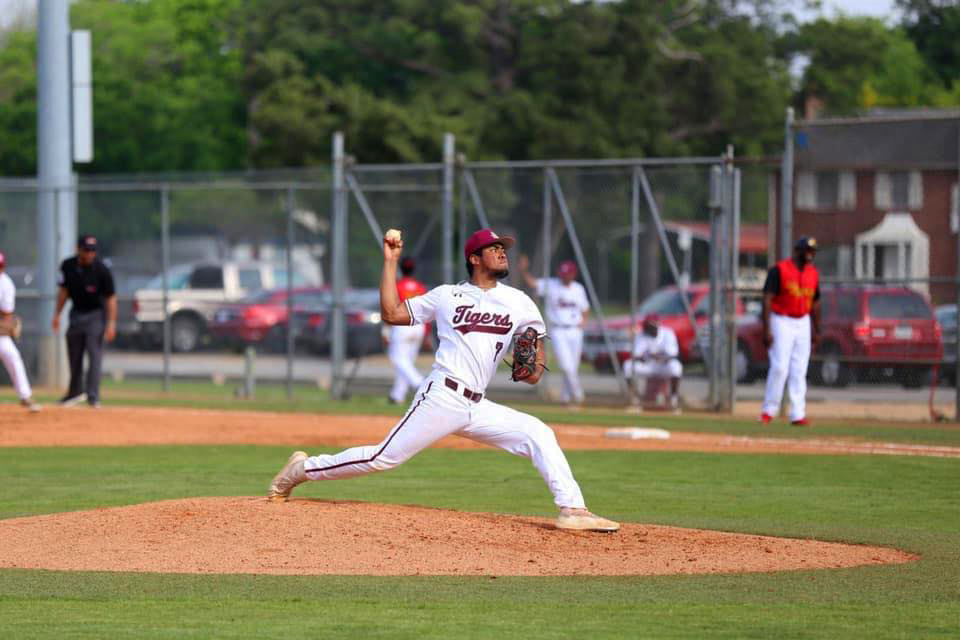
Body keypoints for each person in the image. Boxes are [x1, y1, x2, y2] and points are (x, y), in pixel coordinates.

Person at [268, 228, 620, 532]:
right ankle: (301, 469)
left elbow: (531, 367)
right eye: (494, 248)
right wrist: (390, 261)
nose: (501, 252)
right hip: (443, 395)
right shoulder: (446, 295)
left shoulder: (520, 302)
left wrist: (532, 366)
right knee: (383, 457)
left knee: (538, 432)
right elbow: (391, 313)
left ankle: (573, 510)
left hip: (476, 404)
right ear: (474, 258)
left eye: (503, 248)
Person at [759, 236, 821, 426]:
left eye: (812, 252)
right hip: (782, 320)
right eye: (806, 251)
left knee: (799, 369)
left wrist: (816, 329)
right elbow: (768, 299)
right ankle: (769, 410)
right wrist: (767, 328)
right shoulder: (780, 270)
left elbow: (816, 303)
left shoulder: (813, 273)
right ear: (797, 251)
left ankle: (797, 413)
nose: (809, 255)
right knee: (779, 367)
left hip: (803, 321)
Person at [52, 234, 117, 408]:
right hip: (76, 314)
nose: (90, 254)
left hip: (96, 315)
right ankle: (74, 392)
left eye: (93, 250)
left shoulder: (102, 269)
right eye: (86, 250)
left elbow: (111, 298)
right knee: (74, 354)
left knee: (94, 354)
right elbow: (63, 292)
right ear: (78, 249)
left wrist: (111, 323)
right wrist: (57, 314)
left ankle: (93, 395)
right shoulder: (68, 266)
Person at [517, 255, 590, 406]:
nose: (565, 277)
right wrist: (523, 270)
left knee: (573, 367)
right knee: (566, 366)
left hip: (575, 330)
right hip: (558, 330)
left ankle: (566, 396)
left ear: (573, 274)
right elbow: (533, 284)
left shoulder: (578, 288)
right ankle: (578, 395)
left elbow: (585, 308)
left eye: (568, 274)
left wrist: (583, 322)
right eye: (563, 274)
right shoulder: (552, 284)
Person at [0, 251, 40, 412]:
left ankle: (25, 396)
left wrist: (6, 326)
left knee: (12, 356)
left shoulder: (6, 284)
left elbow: (6, 314)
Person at [386, 256, 428, 405]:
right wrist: (427, 332)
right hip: (419, 325)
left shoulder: (398, 286)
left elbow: (390, 308)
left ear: (401, 269)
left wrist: (385, 330)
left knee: (397, 359)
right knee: (407, 362)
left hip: (403, 325)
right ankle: (397, 395)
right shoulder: (420, 287)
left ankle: (420, 384)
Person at [622, 314, 682, 411]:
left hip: (663, 366)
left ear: (656, 325)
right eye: (646, 325)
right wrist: (647, 356)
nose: (646, 327)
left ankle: (673, 400)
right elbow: (636, 355)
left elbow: (673, 354)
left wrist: (657, 356)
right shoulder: (642, 334)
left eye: (649, 325)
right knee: (628, 366)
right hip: (648, 365)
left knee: (676, 367)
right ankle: (635, 399)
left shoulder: (667, 333)